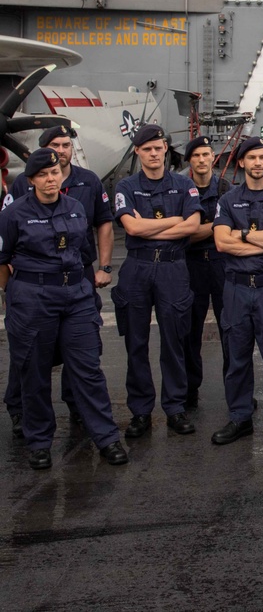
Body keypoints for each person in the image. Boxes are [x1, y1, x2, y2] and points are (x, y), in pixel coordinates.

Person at [0, 149, 128, 469]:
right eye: (42, 175)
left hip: (76, 294)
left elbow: (81, 251)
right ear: (31, 180)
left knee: (87, 369)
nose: (50, 179)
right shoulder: (13, 214)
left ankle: (107, 437)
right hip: (33, 297)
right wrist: (11, 292)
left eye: (54, 172)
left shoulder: (74, 208)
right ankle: (40, 441)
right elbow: (2, 262)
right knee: (35, 370)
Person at [111, 123, 201, 439]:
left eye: (158, 148)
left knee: (174, 340)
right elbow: (131, 230)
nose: (153, 153)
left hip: (173, 269)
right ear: (137, 151)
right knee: (136, 342)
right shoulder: (125, 187)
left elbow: (192, 225)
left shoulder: (184, 185)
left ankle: (175, 408)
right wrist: (174, 221)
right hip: (137, 268)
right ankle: (140, 412)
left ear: (165, 149)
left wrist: (153, 225)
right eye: (146, 149)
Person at [211, 137, 263, 447]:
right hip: (235, 290)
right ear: (242, 163)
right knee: (237, 359)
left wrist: (243, 235)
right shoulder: (227, 200)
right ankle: (240, 417)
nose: (258, 163)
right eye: (252, 158)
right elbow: (221, 243)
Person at [182, 136, 230, 410]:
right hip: (191, 265)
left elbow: (234, 228)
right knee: (190, 329)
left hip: (222, 263)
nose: (202, 160)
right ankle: (189, 389)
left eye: (206, 154)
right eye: (196, 155)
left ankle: (236, 388)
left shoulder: (226, 188)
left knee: (231, 327)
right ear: (190, 160)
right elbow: (183, 236)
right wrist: (216, 226)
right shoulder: (180, 190)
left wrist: (201, 228)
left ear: (214, 157)